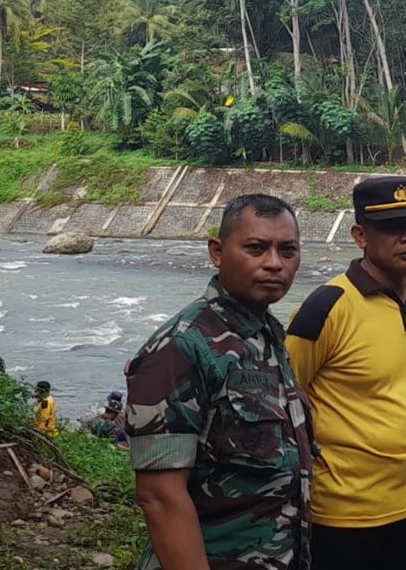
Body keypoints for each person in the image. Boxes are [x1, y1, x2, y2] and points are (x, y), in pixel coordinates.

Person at [127, 194, 317, 570]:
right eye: (256, 248)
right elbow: (160, 497)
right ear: (217, 251)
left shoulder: (266, 335)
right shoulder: (182, 346)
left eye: (288, 250)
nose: (274, 264)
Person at [279, 176, 406, 568]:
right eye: (392, 227)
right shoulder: (327, 308)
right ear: (359, 235)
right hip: (346, 512)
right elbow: (283, 400)